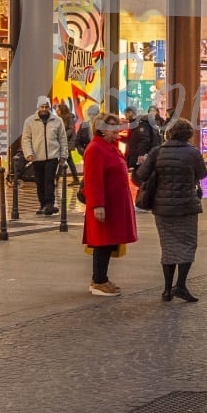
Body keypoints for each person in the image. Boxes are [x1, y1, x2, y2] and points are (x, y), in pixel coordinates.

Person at [134, 119, 207, 302]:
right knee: (188, 244)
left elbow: (140, 176)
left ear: (170, 133)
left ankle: (167, 290)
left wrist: (143, 164)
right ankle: (181, 285)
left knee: (168, 246)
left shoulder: (157, 152)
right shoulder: (193, 153)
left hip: (163, 207)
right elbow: (203, 174)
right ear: (188, 135)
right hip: (187, 206)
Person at [82, 113, 138, 297]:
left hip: (114, 204)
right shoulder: (95, 149)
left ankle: (102, 278)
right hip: (104, 205)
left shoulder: (111, 147)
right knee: (102, 242)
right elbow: (93, 180)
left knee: (109, 242)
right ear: (101, 129)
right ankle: (98, 281)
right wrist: (97, 204)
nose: (116, 131)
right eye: (112, 127)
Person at [21, 96, 66, 216]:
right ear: (38, 108)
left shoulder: (57, 121)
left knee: (49, 180)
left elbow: (62, 139)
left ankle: (49, 204)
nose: (44, 109)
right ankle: (43, 204)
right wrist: (29, 154)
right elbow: (26, 139)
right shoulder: (30, 121)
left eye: (46, 107)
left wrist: (63, 155)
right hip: (37, 157)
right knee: (40, 182)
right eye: (42, 107)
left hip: (52, 156)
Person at [125, 105, 162, 173]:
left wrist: (140, 155)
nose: (125, 116)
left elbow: (144, 140)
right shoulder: (136, 123)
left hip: (139, 159)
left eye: (126, 114)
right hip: (139, 157)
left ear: (131, 112)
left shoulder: (140, 123)